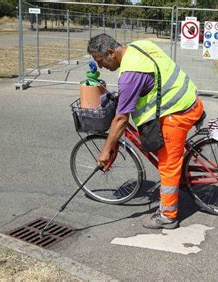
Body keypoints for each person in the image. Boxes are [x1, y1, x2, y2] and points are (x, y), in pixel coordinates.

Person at [87, 34, 204, 229]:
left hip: (179, 112)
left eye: (100, 61)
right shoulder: (139, 46)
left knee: (167, 165)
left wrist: (106, 149)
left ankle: (167, 216)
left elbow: (121, 119)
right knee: (171, 156)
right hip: (188, 97)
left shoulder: (130, 75)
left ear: (110, 53)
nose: (100, 67)